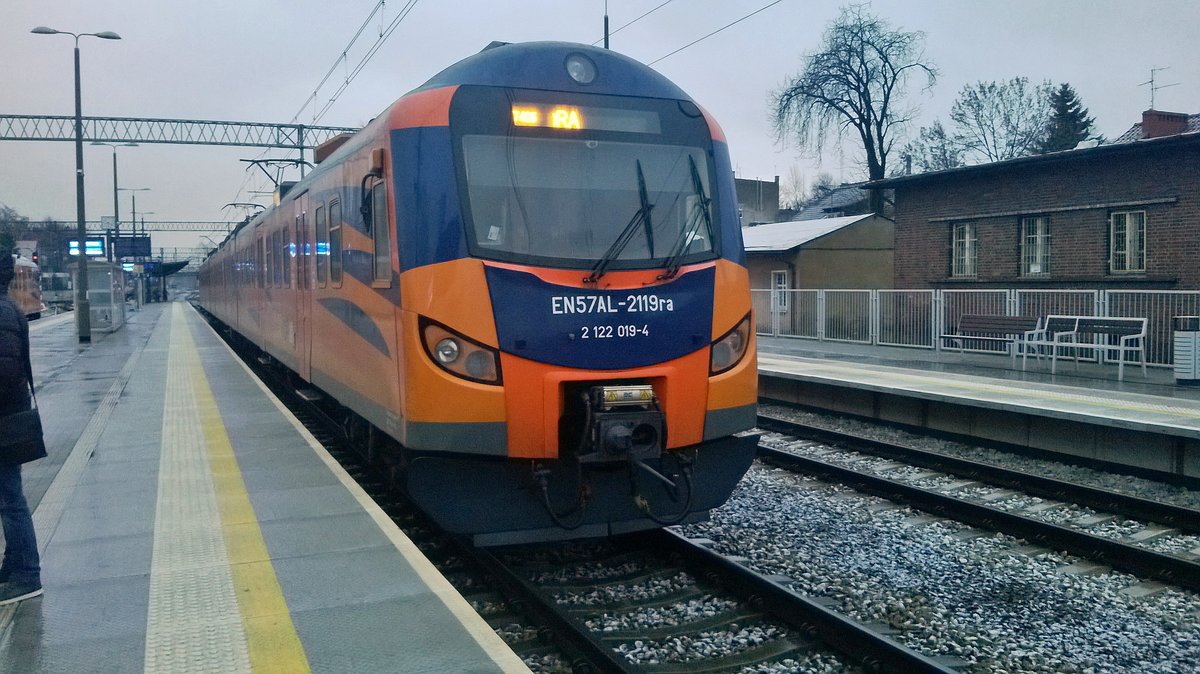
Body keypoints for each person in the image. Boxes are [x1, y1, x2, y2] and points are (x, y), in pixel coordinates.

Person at [0, 253, 42, 605]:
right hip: (8, 418)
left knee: (11, 501)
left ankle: (26, 573)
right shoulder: (8, 310)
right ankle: (13, 567)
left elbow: (5, 373)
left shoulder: (2, 314)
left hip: (4, 421)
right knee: (9, 499)